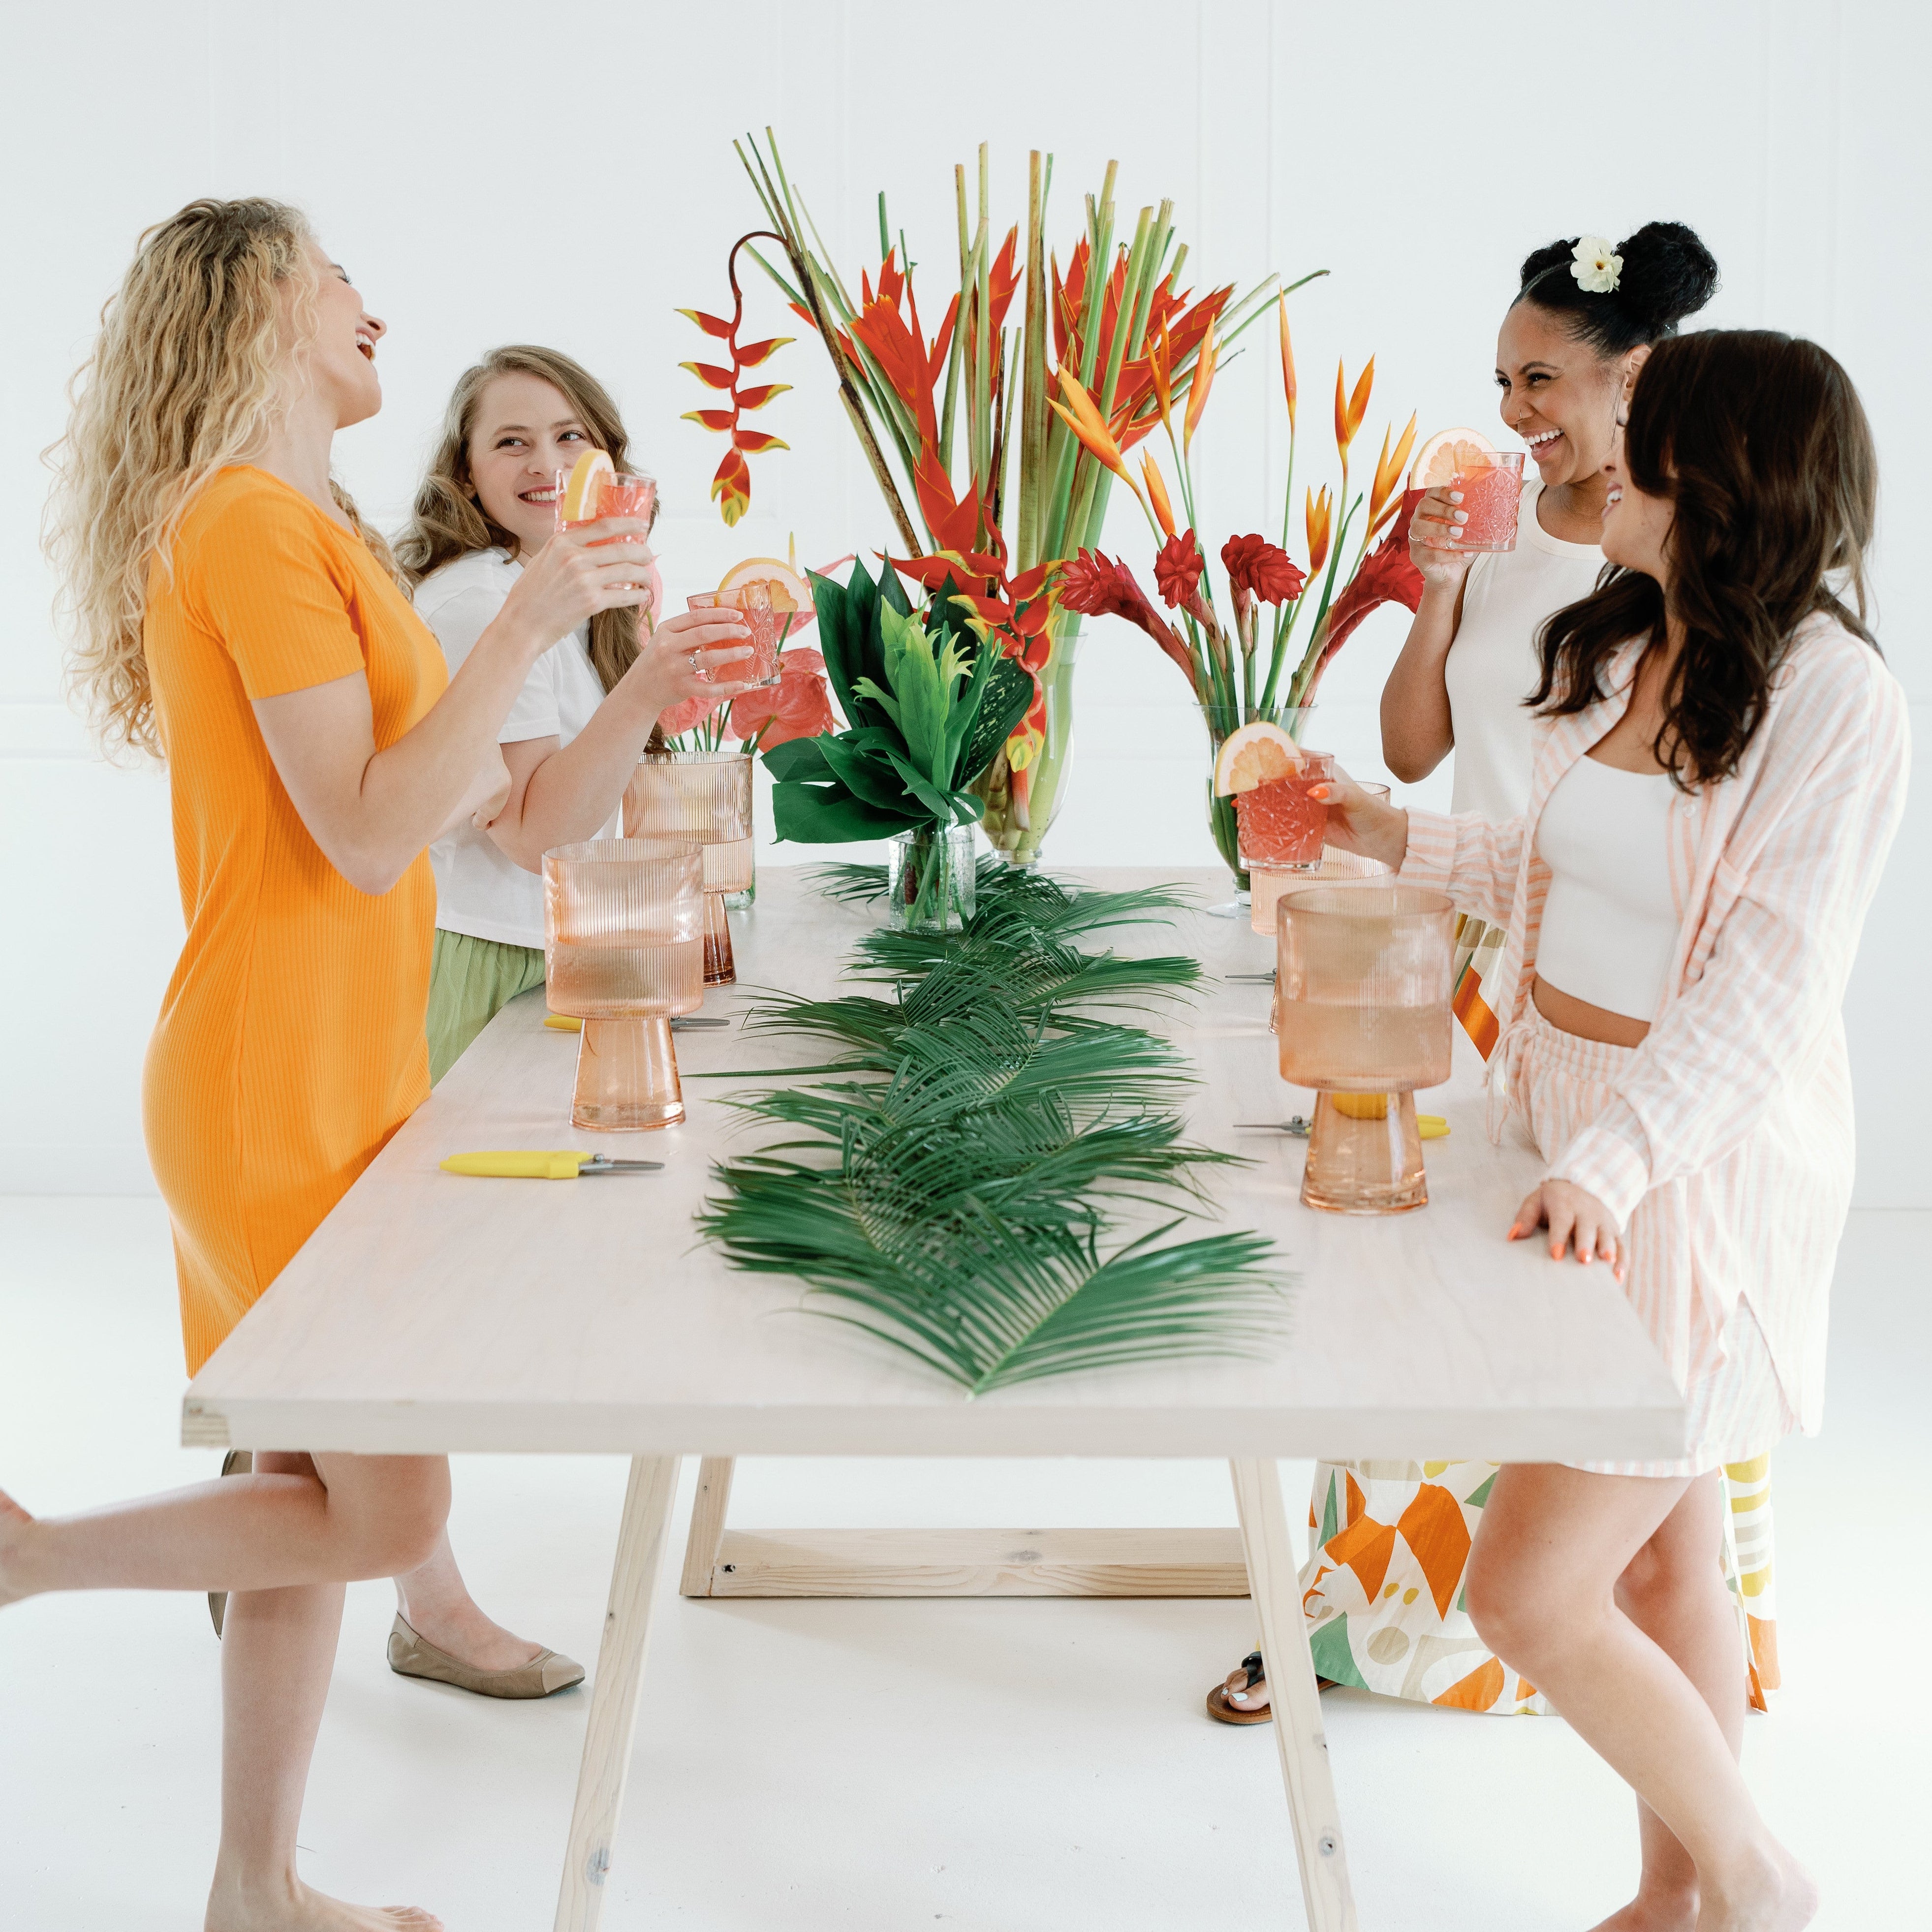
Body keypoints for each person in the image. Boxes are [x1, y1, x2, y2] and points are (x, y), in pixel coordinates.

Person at [5, 196, 747, 1931]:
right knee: (377, 1499)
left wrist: (593, 670)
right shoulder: (252, 527)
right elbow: (360, 838)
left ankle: (252, 1887)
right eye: (340, 280)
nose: (371, 309)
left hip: (332, 1065)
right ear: (262, 303)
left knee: (306, 1481)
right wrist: (529, 619)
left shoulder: (298, 521)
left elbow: (441, 805)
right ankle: (30, 1557)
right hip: (273, 1077)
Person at [1324, 328, 1905, 1931]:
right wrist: (1383, 835)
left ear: (1705, 475)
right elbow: (1556, 873)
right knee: (1662, 1568)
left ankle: (1757, 1878)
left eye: (1628, 425)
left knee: (1525, 1590)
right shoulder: (1640, 637)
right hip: (1562, 1133)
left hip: (1682, 1182)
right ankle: (1675, 1900)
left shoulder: (1834, 698)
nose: (1587, 445)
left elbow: (1764, 988)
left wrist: (1613, 1163)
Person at [1212, 221, 1746, 1726]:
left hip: (1607, 956)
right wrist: (1435, 585)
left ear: (1631, 373)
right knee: (1401, 1282)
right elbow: (1403, 749)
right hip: (1459, 925)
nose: (1514, 409)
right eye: (1498, 378)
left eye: (1539, 379)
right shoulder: (1494, 520)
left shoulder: (1689, 534)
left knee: (1587, 1311)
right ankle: (1349, 1613)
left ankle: (1591, 1624)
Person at [395, 345, 671, 1085]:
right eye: (511, 441)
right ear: (465, 475)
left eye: (571, 436)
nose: (547, 464)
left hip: (553, 950)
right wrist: (649, 687)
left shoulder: (568, 595)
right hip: (490, 958)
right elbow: (533, 835)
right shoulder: (485, 603)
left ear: (608, 461)